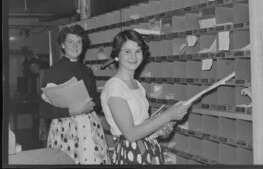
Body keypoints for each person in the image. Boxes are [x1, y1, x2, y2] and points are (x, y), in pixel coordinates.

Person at [101, 29, 191, 165]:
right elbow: (130, 134)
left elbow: (142, 125)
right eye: (127, 51)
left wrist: (160, 128)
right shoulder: (115, 87)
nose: (134, 56)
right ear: (117, 55)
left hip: (148, 150)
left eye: (138, 51)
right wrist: (167, 116)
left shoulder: (137, 85)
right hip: (131, 154)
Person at [39, 24, 110, 164]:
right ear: (63, 45)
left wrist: (97, 102)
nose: (75, 45)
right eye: (70, 42)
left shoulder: (87, 71)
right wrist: (72, 111)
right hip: (64, 129)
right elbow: (44, 110)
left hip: (90, 127)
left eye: (79, 42)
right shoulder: (53, 72)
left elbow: (94, 100)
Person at [28, 57, 49, 147]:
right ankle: (45, 146)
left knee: (45, 127)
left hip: (48, 103)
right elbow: (38, 92)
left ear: (38, 66)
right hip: (43, 104)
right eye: (31, 68)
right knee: (42, 127)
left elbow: (41, 90)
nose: (33, 69)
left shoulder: (43, 72)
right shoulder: (37, 76)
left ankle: (46, 146)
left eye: (34, 66)